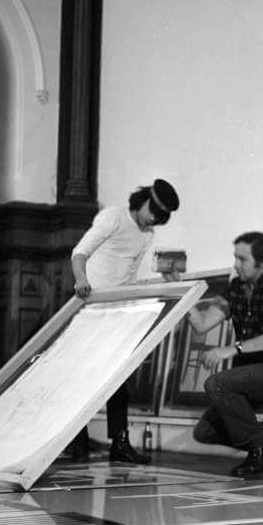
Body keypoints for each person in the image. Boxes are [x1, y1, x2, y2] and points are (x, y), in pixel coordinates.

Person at [68, 178, 180, 463]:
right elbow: (80, 252)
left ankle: (120, 442)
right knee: (79, 378)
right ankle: (77, 442)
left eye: (160, 217)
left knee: (118, 378)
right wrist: (82, 280)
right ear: (142, 200)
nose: (153, 219)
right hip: (90, 305)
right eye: (153, 211)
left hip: (117, 310)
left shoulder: (147, 234)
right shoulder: (113, 217)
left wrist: (162, 282)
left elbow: (129, 276)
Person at [187, 231, 263, 477]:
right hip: (249, 374)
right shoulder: (236, 289)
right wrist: (181, 292)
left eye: (242, 259)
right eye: (235, 258)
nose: (235, 264)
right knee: (205, 432)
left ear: (261, 262)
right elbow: (202, 324)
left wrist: (234, 348)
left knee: (217, 384)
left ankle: (262, 449)